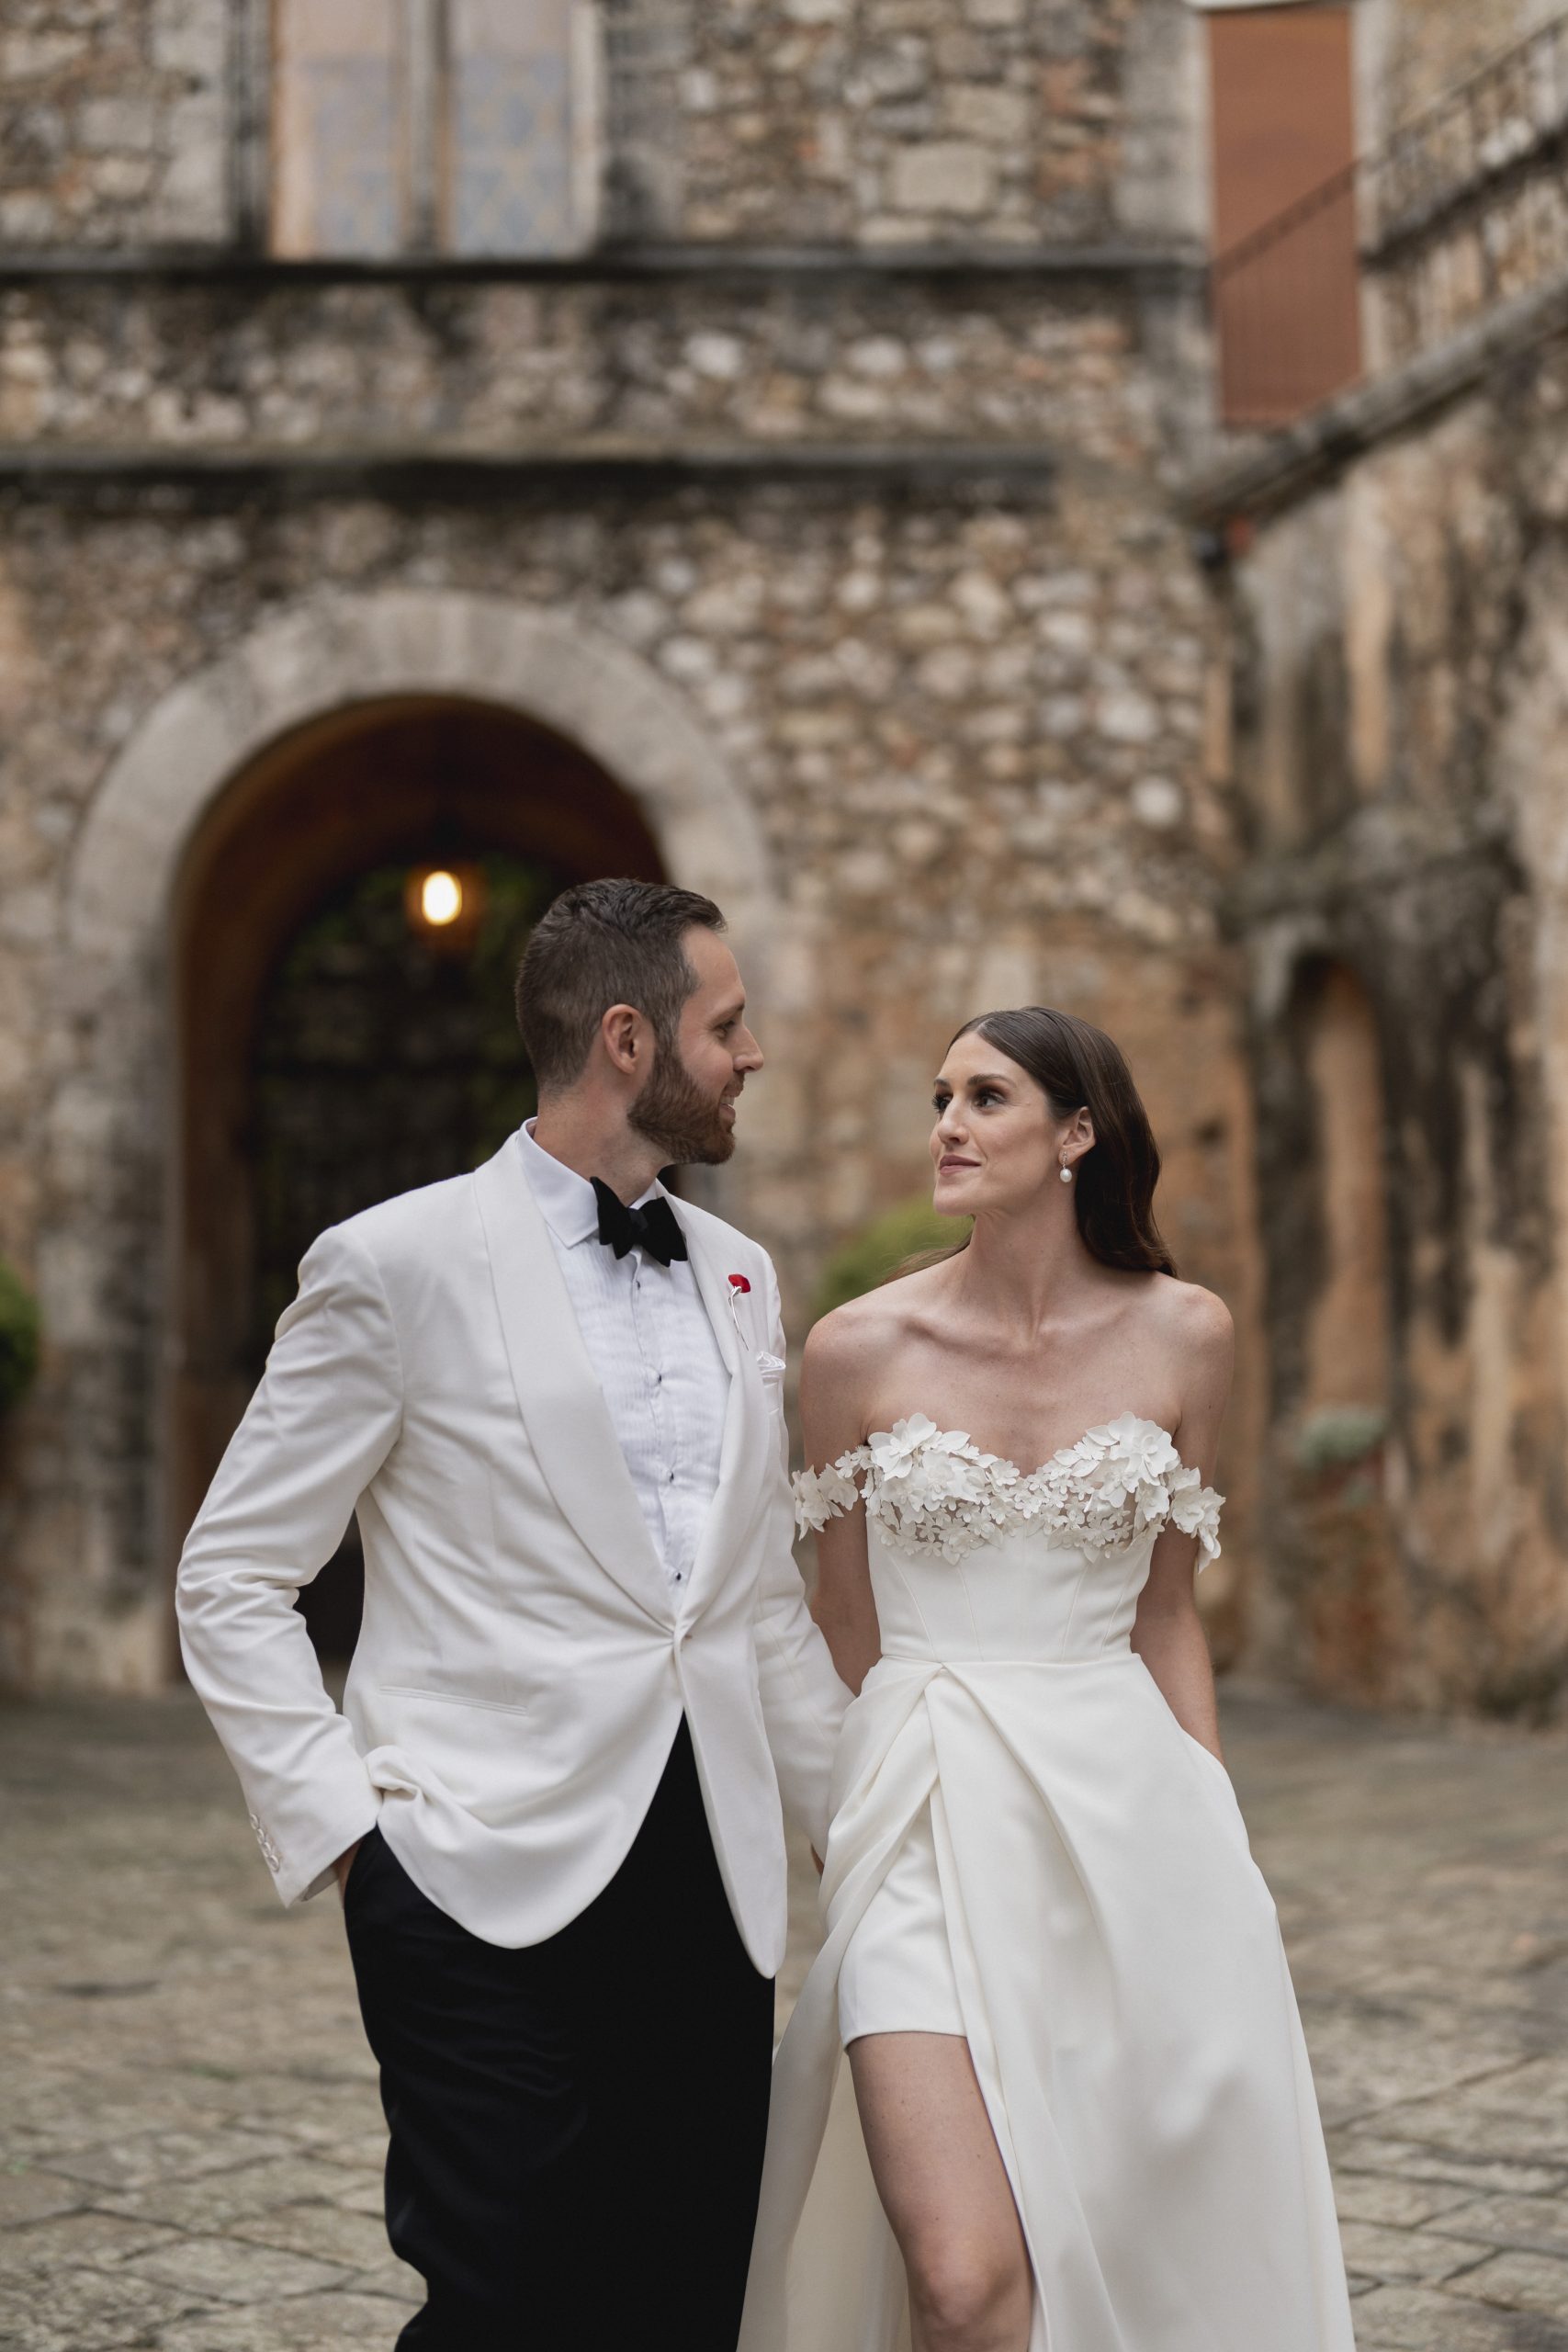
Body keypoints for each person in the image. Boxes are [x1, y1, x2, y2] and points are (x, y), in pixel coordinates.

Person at [177, 878, 850, 2352]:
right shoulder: (393, 1263)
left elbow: (758, 1609)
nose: (753, 1056)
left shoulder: (742, 1278)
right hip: (470, 1877)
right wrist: (354, 1839)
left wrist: (867, 1833)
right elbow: (232, 1574)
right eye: (726, 1025)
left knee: (684, 2299)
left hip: (711, 1891)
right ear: (628, 1038)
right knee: (505, 2308)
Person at [740, 1006, 1356, 2352]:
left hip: (1130, 1819)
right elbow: (838, 1619)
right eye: (941, 1098)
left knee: (1131, 2225)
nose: (948, 1125)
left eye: (988, 1098)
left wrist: (1214, 1824)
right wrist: (848, 1830)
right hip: (922, 1803)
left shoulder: (1188, 1334)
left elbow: (1170, 1614)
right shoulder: (855, 1350)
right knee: (962, 2280)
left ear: (1079, 1133)